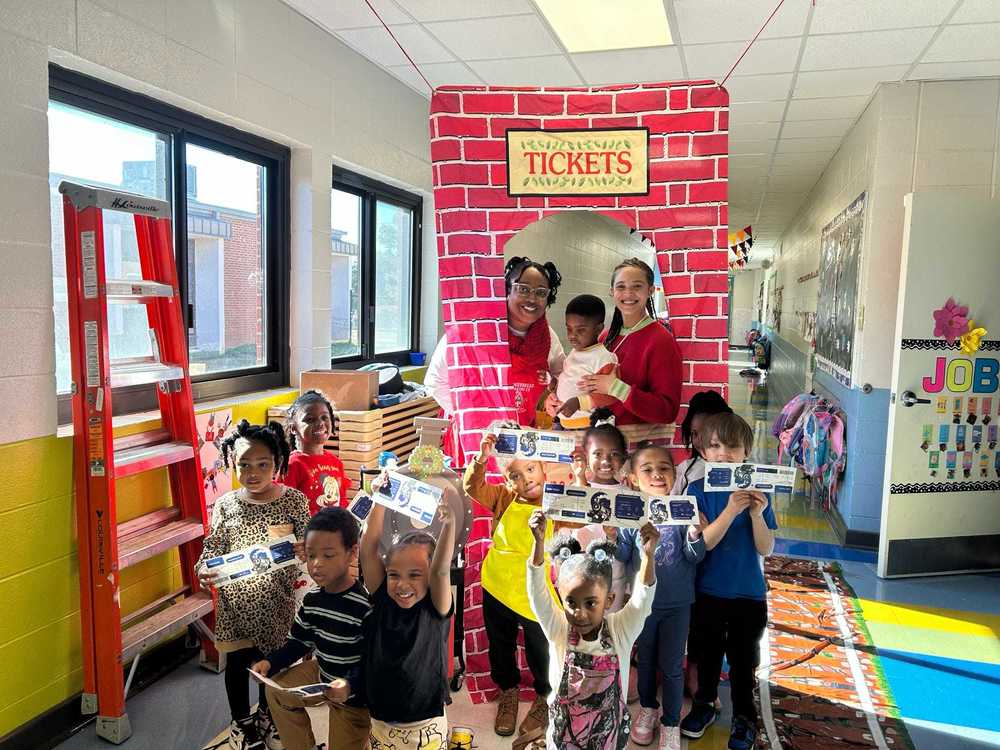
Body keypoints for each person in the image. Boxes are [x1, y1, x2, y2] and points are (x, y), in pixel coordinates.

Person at [195, 420, 310, 750]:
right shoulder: (227, 504)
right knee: (236, 665)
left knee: (270, 667)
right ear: (232, 463)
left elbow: (309, 543)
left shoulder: (294, 502)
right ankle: (241, 724)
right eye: (244, 464)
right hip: (234, 606)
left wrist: (305, 548)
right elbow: (214, 545)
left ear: (278, 462)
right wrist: (203, 566)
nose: (253, 472)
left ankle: (268, 718)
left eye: (263, 464)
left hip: (277, 605)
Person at [680, 413, 777, 750]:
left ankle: (745, 717)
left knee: (743, 660)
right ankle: (704, 706)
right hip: (707, 591)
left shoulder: (758, 490)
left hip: (749, 593)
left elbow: (766, 547)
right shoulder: (697, 490)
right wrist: (731, 511)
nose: (723, 452)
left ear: (746, 451)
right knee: (706, 654)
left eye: (732, 446)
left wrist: (753, 513)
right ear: (703, 451)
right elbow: (704, 543)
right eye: (715, 445)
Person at [527, 511, 659, 749]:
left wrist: (648, 556)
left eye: (591, 603)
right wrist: (538, 543)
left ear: (609, 600)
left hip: (608, 738)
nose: (580, 613)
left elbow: (642, 599)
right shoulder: (559, 629)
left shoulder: (620, 630)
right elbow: (537, 594)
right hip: (562, 738)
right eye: (571, 603)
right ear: (561, 598)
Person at [251, 508, 371, 750]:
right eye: (311, 555)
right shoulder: (312, 599)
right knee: (276, 692)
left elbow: (373, 664)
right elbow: (299, 642)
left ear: (352, 554)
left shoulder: (365, 606)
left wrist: (349, 686)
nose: (316, 565)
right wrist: (271, 662)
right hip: (322, 674)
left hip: (354, 697)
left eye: (328, 555)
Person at [464, 430, 555, 738]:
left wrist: (582, 475)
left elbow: (582, 520)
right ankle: (508, 692)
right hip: (497, 587)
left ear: (543, 467)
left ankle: (545, 697)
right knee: (500, 647)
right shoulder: (504, 497)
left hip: (535, 595)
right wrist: (481, 458)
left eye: (530, 469)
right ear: (507, 480)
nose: (526, 479)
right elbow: (472, 487)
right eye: (515, 475)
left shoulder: (557, 501)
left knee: (540, 651)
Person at [616, 443, 706, 749]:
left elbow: (695, 557)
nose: (657, 475)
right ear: (632, 479)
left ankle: (670, 723)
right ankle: (647, 710)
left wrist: (695, 535)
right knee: (645, 663)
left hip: (677, 605)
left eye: (664, 468)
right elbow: (623, 554)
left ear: (674, 474)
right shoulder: (631, 514)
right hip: (642, 606)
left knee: (671, 666)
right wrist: (613, 535)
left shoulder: (683, 510)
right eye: (648, 470)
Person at [359, 490, 456, 748]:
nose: (402, 585)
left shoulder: (436, 606)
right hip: (382, 720)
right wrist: (380, 499)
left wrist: (449, 524)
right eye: (394, 575)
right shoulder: (381, 596)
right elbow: (368, 548)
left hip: (425, 723)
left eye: (415, 575)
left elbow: (441, 569)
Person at [426, 256, 565, 428]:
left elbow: (562, 379)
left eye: (541, 292)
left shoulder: (548, 337)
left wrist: (552, 391)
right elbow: (435, 380)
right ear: (506, 289)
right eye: (523, 289)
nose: (532, 299)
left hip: (524, 438)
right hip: (476, 436)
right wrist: (473, 417)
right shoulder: (471, 330)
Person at [556, 258, 682, 427]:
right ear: (612, 291)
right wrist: (559, 401)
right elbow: (583, 388)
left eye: (637, 286)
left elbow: (667, 411)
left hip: (635, 445)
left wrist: (617, 388)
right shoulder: (605, 337)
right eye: (621, 286)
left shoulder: (661, 341)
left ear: (650, 290)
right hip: (598, 441)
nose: (628, 293)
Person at [570, 409, 629, 613]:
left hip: (616, 578)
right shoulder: (579, 487)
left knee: (611, 633)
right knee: (584, 632)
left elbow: (632, 542)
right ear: (586, 456)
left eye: (614, 454)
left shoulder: (628, 494)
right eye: (597, 454)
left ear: (623, 458)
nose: (605, 461)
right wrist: (579, 478)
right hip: (581, 577)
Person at [554, 294, 618, 430]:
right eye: (568, 329)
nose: (572, 335)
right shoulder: (574, 352)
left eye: (580, 330)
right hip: (564, 424)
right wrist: (554, 385)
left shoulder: (604, 358)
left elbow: (610, 396)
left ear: (599, 329)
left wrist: (578, 402)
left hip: (588, 426)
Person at [283, 390, 350, 514]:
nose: (320, 423)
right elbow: (283, 509)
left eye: (324, 417)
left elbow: (342, 503)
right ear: (293, 428)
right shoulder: (291, 465)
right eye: (310, 419)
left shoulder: (336, 463)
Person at [673, 390, 733, 494]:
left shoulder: (743, 473)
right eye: (695, 433)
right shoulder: (685, 470)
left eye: (707, 432)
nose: (701, 441)